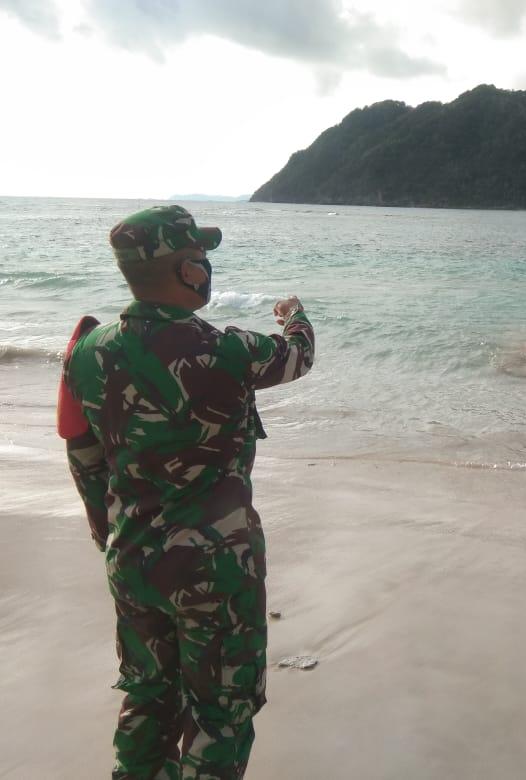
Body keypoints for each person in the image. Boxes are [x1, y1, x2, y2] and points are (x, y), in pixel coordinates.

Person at [58, 205, 315, 778]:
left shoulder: (86, 351)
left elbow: (83, 453)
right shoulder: (225, 350)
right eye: (200, 258)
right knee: (221, 713)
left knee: (148, 696)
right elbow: (299, 355)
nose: (207, 268)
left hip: (133, 560)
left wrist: (110, 532)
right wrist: (296, 315)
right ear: (187, 271)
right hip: (215, 568)